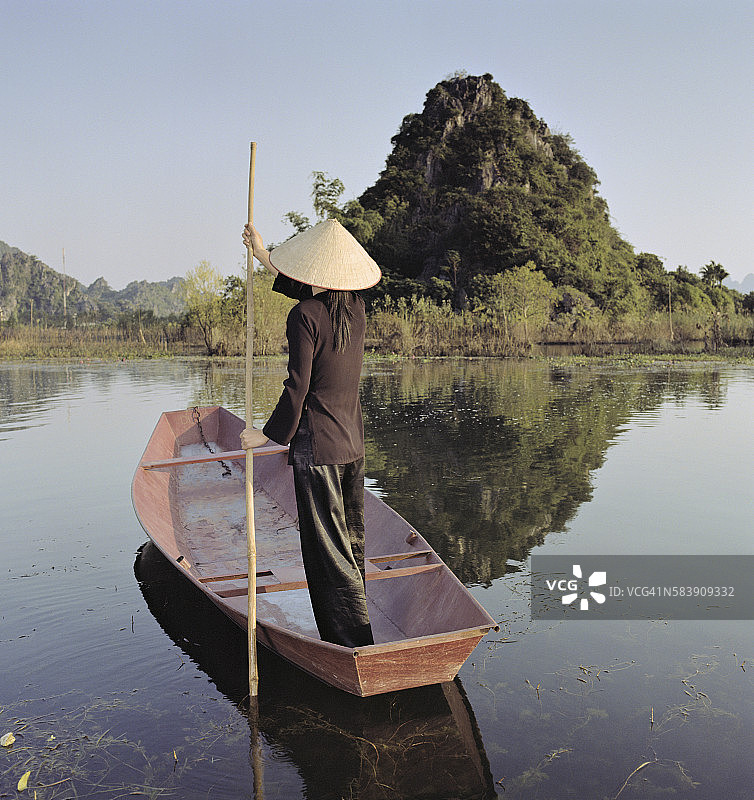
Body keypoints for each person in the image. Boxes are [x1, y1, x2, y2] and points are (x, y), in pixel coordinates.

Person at [241, 218, 381, 648]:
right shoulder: (355, 308)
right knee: (350, 543)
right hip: (352, 445)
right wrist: (262, 255)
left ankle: (350, 643)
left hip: (318, 448)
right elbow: (310, 293)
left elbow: (297, 387)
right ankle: (359, 630)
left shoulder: (304, 316)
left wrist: (268, 437)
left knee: (327, 553)